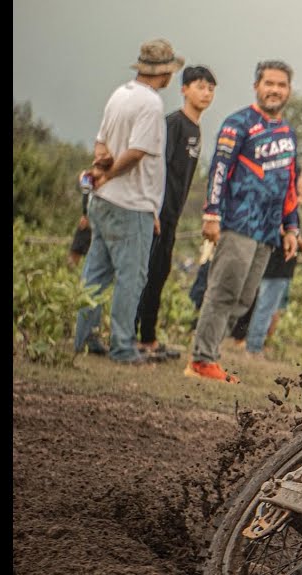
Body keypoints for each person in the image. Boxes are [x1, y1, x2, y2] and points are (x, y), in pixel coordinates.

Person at [185, 60, 301, 383]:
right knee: (223, 290)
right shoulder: (238, 123)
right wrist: (212, 213)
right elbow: (219, 170)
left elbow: (289, 183)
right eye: (269, 83)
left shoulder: (287, 134)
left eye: (281, 85)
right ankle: (201, 360)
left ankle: (210, 354)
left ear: (288, 91)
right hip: (237, 222)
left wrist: (292, 227)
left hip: (268, 230)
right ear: (257, 86)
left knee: (244, 299)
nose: (275, 90)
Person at [74, 39, 184, 364]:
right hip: (130, 202)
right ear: (164, 72)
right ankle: (122, 346)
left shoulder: (120, 94)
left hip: (104, 201)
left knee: (95, 273)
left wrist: (100, 168)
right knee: (131, 277)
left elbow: (100, 143)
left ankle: (84, 337)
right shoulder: (150, 104)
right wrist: (111, 176)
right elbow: (136, 153)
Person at [135, 64, 217, 361]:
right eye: (199, 86)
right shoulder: (174, 124)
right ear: (184, 89)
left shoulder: (196, 129)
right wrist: (154, 209)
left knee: (160, 274)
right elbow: (157, 169)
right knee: (146, 274)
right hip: (156, 213)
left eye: (210, 88)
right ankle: (132, 337)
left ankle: (149, 338)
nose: (205, 93)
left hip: (172, 216)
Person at [246, 172, 302, 355]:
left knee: (273, 309)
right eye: (300, 187)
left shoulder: (293, 211)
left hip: (285, 270)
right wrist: (300, 242)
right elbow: (280, 229)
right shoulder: (283, 206)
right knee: (265, 308)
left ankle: (260, 344)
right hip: (276, 267)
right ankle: (253, 347)